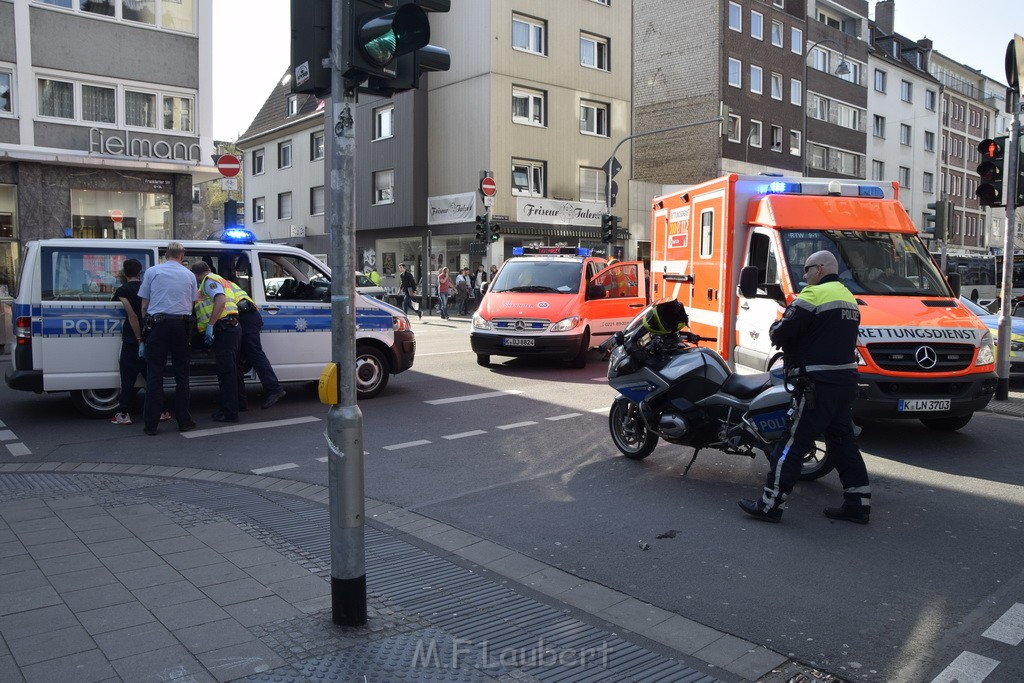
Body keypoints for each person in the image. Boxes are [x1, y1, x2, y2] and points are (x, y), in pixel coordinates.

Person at [739, 250, 871, 525]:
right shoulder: (849, 298)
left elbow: (782, 331)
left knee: (791, 444)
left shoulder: (812, 296)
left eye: (808, 268)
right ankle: (858, 503)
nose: (805, 274)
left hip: (816, 385)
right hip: (844, 383)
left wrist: (777, 327)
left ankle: (770, 504)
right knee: (843, 443)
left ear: (821, 269)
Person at [139, 242, 198, 435]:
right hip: (181, 326)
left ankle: (151, 425)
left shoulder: (152, 272)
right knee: (182, 374)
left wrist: (146, 327)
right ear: (182, 256)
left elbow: (144, 305)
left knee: (155, 374)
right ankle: (184, 420)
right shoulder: (189, 275)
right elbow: (192, 303)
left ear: (166, 255)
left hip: (158, 325)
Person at [110, 259, 170, 426]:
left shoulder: (123, 290)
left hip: (132, 339)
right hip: (151, 336)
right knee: (152, 377)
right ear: (140, 272)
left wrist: (138, 339)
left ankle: (124, 413)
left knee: (127, 379)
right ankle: (162, 410)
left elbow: (132, 316)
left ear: (124, 272)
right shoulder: (147, 287)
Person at [191, 261, 244, 422]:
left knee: (226, 372)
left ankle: (229, 413)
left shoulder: (209, 281)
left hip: (224, 328)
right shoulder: (215, 279)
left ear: (196, 274)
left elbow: (220, 301)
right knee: (229, 371)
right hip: (228, 327)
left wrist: (210, 326)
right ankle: (231, 407)